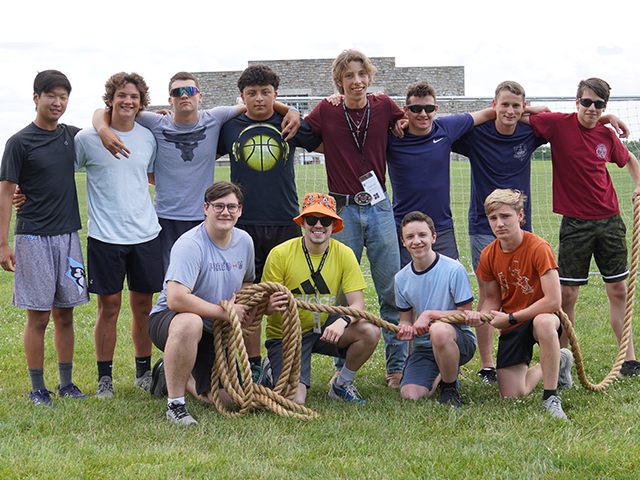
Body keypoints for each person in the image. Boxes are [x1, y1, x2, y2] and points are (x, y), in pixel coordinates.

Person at [93, 71, 299, 381]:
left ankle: (228, 358)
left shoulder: (215, 117)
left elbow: (256, 102)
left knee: (223, 289)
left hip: (207, 219)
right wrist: (102, 128)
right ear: (169, 99)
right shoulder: (154, 122)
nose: (184, 95)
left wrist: (293, 110)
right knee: (174, 296)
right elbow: (107, 111)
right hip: (165, 223)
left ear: (200, 96)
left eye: (190, 90)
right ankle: (169, 365)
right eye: (177, 92)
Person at [305, 49, 406, 388]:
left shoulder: (384, 105)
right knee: (339, 291)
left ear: (369, 77)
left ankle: (397, 367)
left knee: (391, 288)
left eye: (361, 74)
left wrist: (403, 122)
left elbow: (403, 121)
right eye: (349, 76)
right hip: (343, 209)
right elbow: (304, 133)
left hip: (379, 207)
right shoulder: (327, 109)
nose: (357, 81)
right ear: (339, 81)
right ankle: (342, 364)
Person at [528, 78, 640, 377]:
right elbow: (520, 114)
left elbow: (627, 158)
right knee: (567, 296)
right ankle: (563, 361)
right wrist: (543, 107)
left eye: (599, 104)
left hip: (609, 220)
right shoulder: (558, 125)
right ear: (577, 101)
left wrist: (639, 183)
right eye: (587, 102)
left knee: (618, 289)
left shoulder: (606, 134)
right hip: (575, 224)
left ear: (605, 106)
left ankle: (628, 359)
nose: (592, 108)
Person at [217, 65, 322, 380]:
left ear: (276, 95)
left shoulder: (289, 122)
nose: (259, 99)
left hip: (285, 221)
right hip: (244, 224)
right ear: (242, 97)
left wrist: (293, 111)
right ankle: (254, 363)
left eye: (265, 93)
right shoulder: (229, 127)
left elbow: (324, 143)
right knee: (249, 296)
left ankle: (286, 359)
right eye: (252, 93)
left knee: (284, 296)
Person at [0, 70, 89, 407]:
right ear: (36, 97)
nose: (58, 102)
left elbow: (106, 127)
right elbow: (6, 193)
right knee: (38, 316)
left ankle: (66, 383)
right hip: (33, 239)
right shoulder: (19, 142)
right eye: (51, 95)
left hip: (68, 239)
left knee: (65, 313)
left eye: (63, 96)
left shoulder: (72, 136)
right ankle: (38, 388)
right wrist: (3, 243)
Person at [451, 81, 547, 386]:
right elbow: (451, 128)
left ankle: (532, 349)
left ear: (523, 107)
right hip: (483, 225)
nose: (509, 111)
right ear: (493, 105)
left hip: (521, 226)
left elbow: (547, 115)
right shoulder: (477, 134)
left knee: (526, 290)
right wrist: (493, 113)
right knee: (489, 295)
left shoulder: (528, 133)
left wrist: (525, 112)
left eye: (516, 106)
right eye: (503, 105)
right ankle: (487, 364)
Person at [74, 72, 162, 398]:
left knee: (143, 306)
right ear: (110, 98)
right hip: (105, 237)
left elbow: (149, 176)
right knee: (108, 308)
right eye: (122, 95)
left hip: (146, 235)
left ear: (141, 103)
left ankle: (142, 371)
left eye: (134, 97)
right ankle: (104, 379)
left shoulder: (148, 138)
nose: (128, 101)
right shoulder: (87, 139)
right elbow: (59, 169)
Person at [147, 181, 255, 425]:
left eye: (231, 207)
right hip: (170, 320)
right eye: (218, 206)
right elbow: (175, 298)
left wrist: (243, 304)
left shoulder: (244, 241)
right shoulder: (190, 244)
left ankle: (173, 371)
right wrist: (224, 312)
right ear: (206, 208)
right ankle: (175, 405)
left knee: (228, 398)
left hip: (214, 328)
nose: (225, 212)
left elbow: (247, 282)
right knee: (190, 322)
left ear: (240, 210)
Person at [261, 193, 380, 404]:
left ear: (334, 225)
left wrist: (342, 322)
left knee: (369, 331)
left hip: (323, 329)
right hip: (287, 334)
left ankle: (341, 384)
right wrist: (269, 306)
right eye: (311, 219)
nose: (318, 225)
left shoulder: (344, 254)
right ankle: (271, 368)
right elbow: (264, 308)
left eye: (325, 220)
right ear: (302, 223)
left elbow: (358, 305)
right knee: (295, 400)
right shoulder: (280, 254)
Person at [472, 189, 573, 420]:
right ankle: (560, 359)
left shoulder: (539, 248)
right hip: (513, 323)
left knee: (545, 323)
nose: (499, 224)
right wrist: (481, 316)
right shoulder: (488, 255)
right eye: (493, 218)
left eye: (505, 216)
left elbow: (553, 300)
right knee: (512, 394)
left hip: (538, 315)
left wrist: (511, 317)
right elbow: (492, 299)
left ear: (520, 216)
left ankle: (551, 398)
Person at [387, 80, 494, 265]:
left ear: (436, 108)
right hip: (405, 229)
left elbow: (489, 113)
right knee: (410, 286)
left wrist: (529, 111)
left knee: (449, 284)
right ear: (405, 109)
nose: (423, 114)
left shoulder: (445, 128)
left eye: (428, 108)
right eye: (416, 109)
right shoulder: (391, 137)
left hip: (441, 228)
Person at [395, 211, 479, 408]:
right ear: (403, 241)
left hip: (458, 340)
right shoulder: (400, 278)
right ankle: (443, 371)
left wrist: (429, 315)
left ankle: (450, 388)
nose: (417, 241)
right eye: (410, 237)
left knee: (439, 330)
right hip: (424, 347)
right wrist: (405, 327)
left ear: (433, 237)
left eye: (422, 235)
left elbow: (464, 315)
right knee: (411, 396)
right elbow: (405, 318)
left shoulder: (454, 269)